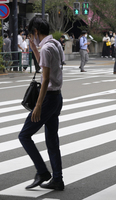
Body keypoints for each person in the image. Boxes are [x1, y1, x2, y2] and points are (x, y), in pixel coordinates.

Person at [18, 16, 65, 191]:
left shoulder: (46, 48)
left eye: (32, 34)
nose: (32, 37)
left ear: (36, 32)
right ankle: (57, 179)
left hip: (48, 99)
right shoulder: (55, 44)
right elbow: (46, 67)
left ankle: (42, 171)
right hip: (57, 97)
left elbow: (45, 79)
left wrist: (38, 105)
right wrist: (33, 49)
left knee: (24, 135)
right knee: (52, 140)